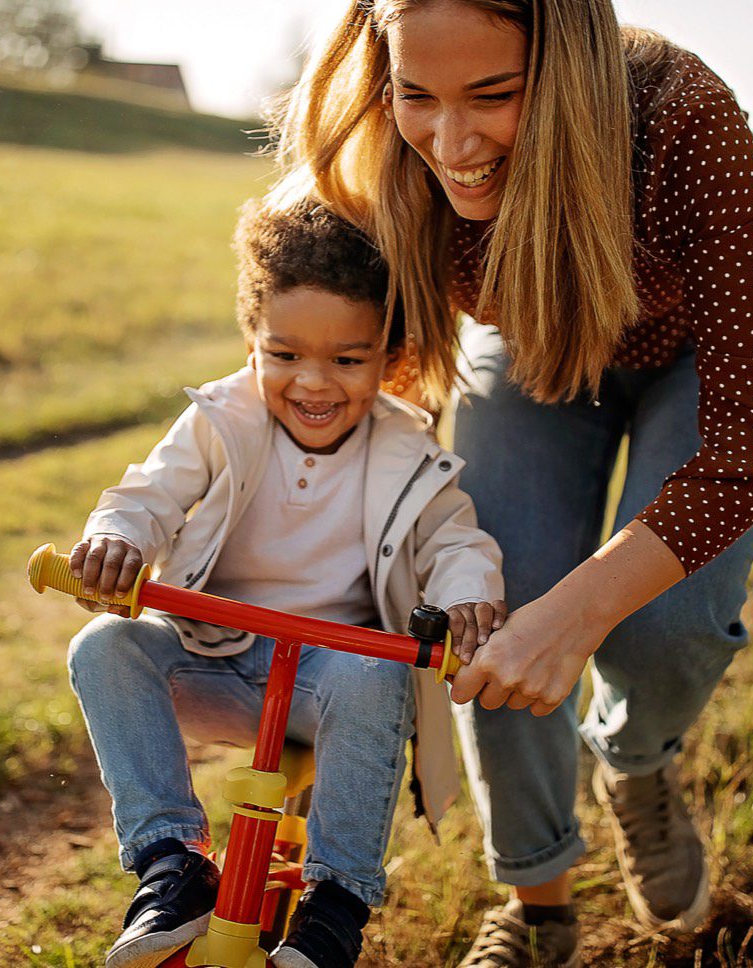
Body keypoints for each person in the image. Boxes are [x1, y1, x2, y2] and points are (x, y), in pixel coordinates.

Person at [269, 1, 753, 965]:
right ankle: (540, 903)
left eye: (495, 96)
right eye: (418, 94)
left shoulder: (682, 117)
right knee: (486, 604)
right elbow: (324, 365)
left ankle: (632, 762)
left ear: (566, 69)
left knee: (658, 624)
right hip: (535, 337)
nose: (452, 142)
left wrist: (583, 610)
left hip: (692, 357)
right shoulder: (387, 156)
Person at [66, 200, 505, 968]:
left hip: (330, 684)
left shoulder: (404, 448)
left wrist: (469, 592)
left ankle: (335, 904)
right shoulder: (222, 418)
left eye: (347, 358)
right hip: (214, 660)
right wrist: (118, 537)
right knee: (105, 645)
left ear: (387, 356)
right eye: (286, 353)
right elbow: (149, 496)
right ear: (252, 343)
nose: (314, 382)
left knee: (378, 665)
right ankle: (173, 863)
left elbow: (454, 540)